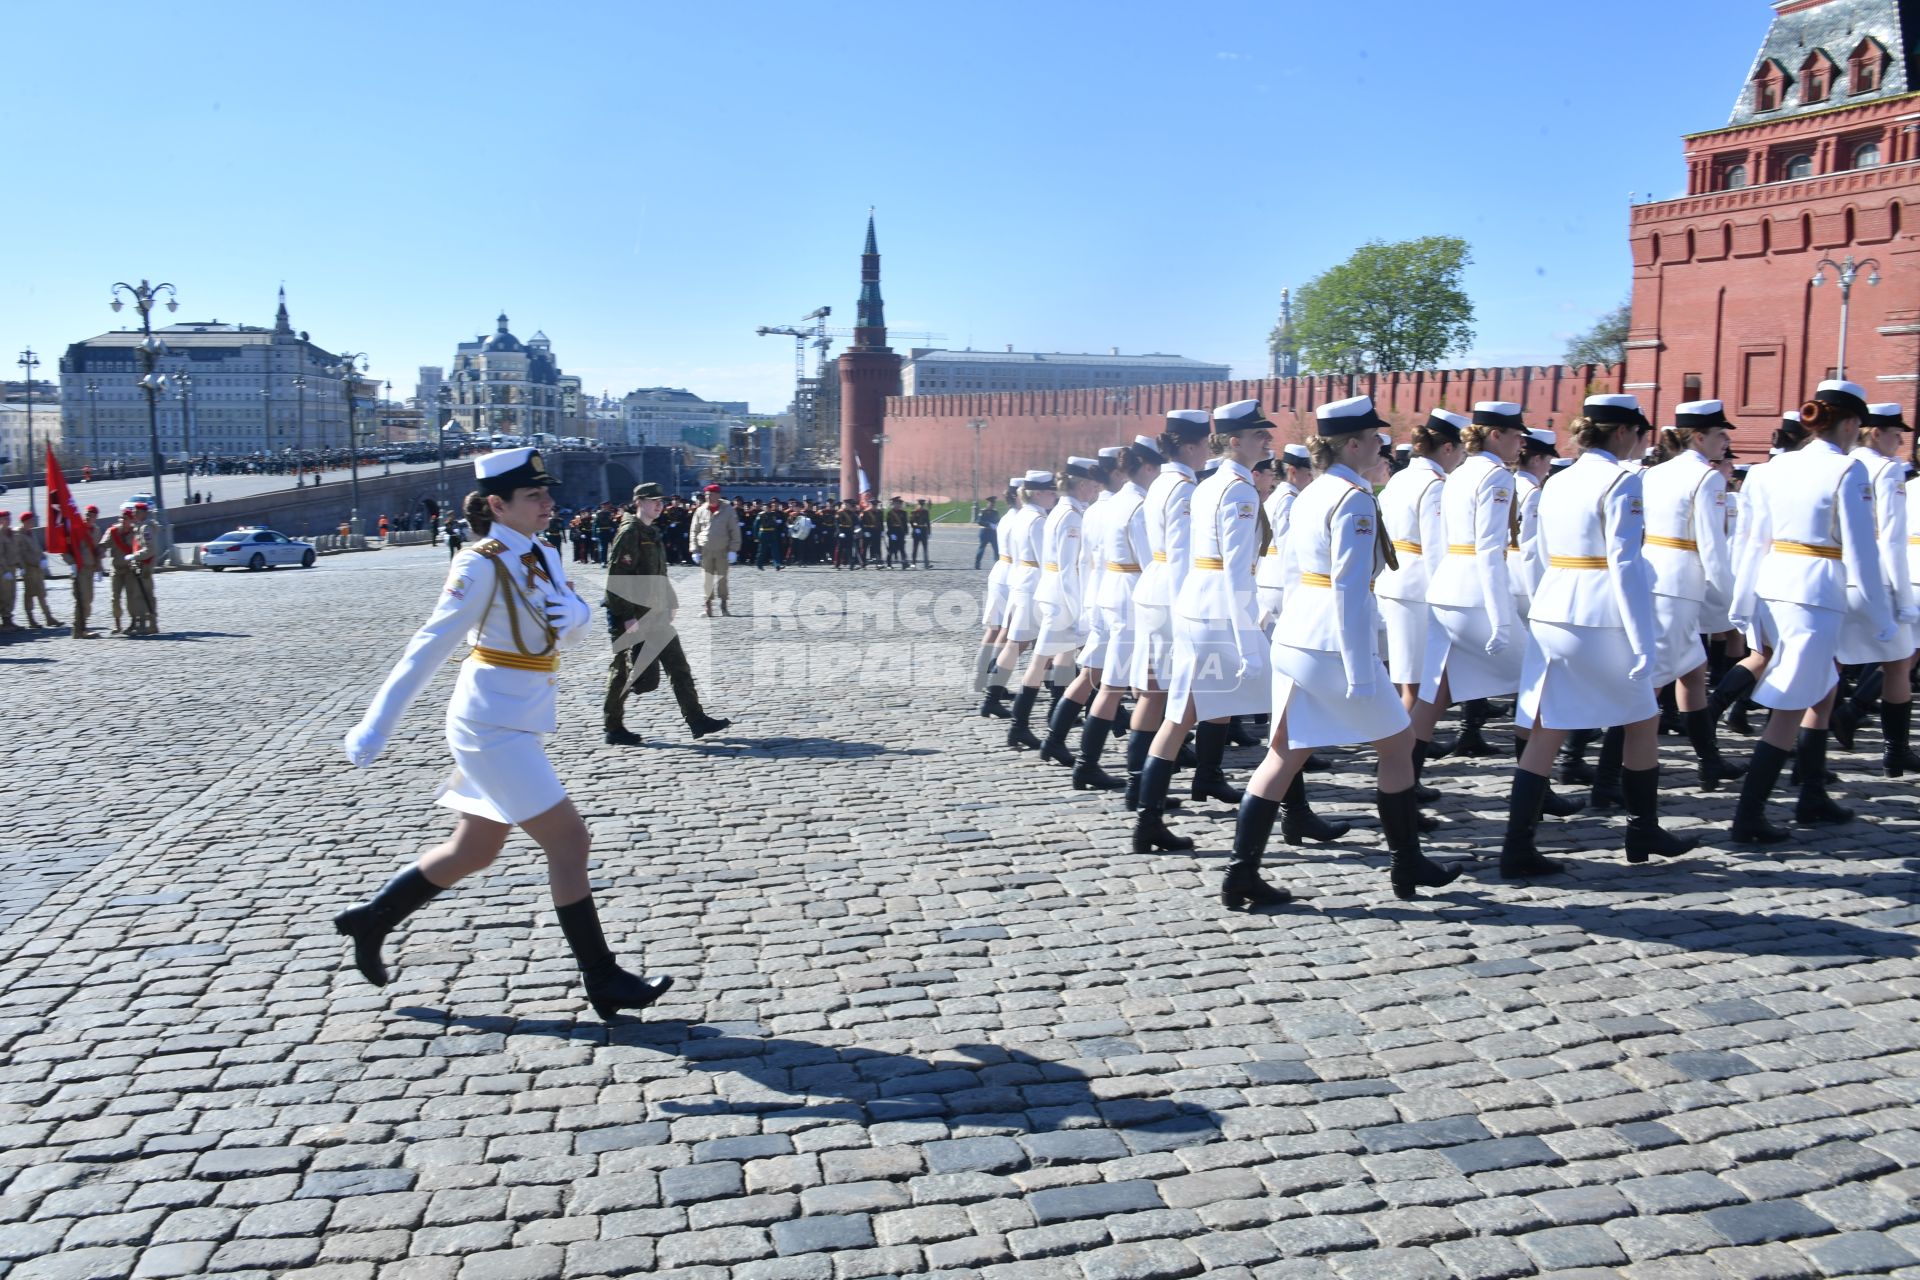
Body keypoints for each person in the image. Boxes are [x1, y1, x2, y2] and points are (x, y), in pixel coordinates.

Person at [337, 447, 675, 1021]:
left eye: (547, 494)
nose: (549, 504)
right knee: (570, 842)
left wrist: (581, 619)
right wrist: (376, 724)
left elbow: (567, 621)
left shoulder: (541, 551)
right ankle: (603, 977)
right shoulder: (479, 563)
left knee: (475, 848)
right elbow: (430, 644)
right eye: (535, 497)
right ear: (498, 505)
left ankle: (373, 919)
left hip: (520, 716)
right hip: (489, 725)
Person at [1229, 395, 1461, 906]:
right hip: (1333, 644)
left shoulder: (1313, 491)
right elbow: (1350, 591)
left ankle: (1241, 871)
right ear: (1351, 444)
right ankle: (1407, 862)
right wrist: (1361, 669)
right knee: (1398, 746)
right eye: (1375, 438)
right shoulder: (1353, 498)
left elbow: (1296, 573)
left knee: (1283, 754)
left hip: (1298, 635)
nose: (1382, 445)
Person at [1502, 394, 1699, 877]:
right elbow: (1625, 564)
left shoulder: (1558, 480)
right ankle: (1641, 827)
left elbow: (1538, 552)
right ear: (1624, 433)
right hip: (1600, 616)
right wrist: (1643, 637)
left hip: (1556, 606)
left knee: (1551, 726)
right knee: (1642, 718)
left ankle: (1518, 844)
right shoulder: (1623, 481)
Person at [1727, 381, 1893, 842]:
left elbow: (1750, 541)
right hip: (1816, 592)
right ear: (1851, 424)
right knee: (1790, 703)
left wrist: (1743, 604)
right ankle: (1749, 815)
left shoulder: (1770, 469)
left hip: (1774, 584)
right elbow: (1862, 551)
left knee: (1823, 689)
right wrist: (1881, 617)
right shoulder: (1848, 470)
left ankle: (1812, 792)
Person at [1642, 402, 1742, 789]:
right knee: (1652, 680)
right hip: (1681, 579)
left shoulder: (1656, 472)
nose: (1726, 441)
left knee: (1693, 671)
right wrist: (1733, 598)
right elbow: (1713, 546)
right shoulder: (1708, 478)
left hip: (1655, 571)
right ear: (1699, 437)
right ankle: (1606, 774)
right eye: (1721, 434)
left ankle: (1709, 759)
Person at [1127, 411, 1210, 835]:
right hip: (1171, 598)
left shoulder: (1161, 481)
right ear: (1192, 446)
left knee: (1155, 695)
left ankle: (1139, 788)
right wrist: (1186, 614)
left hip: (1153, 589)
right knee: (1173, 702)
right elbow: (1180, 556)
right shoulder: (1183, 488)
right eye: (1207, 443)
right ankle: (1147, 803)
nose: (1210, 449)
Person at [603, 483, 732, 745]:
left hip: (656, 614)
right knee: (623, 673)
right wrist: (627, 617)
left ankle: (696, 719)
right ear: (638, 502)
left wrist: (671, 601)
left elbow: (659, 574)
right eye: (652, 501)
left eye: (660, 500)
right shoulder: (630, 533)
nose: (659, 505)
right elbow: (617, 578)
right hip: (633, 617)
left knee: (679, 667)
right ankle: (613, 726)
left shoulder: (651, 531)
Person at [1830, 403, 1919, 772]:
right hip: (1879, 575)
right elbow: (1893, 540)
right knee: (1899, 663)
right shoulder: (1888, 470)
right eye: (1896, 434)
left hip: (1835, 574)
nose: (1900, 442)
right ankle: (1894, 750)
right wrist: (1903, 597)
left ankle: (1810, 763)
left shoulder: (1839, 464)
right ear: (1875, 432)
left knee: (1826, 665)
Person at [1376, 411, 1465, 725]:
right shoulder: (1436, 484)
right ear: (1448, 449)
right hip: (1419, 589)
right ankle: (1399, 758)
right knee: (1417, 684)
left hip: (1395, 582)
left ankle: (1400, 751)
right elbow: (1437, 548)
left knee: (1406, 680)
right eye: (1462, 450)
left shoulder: (1400, 478)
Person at [974, 480, 1024, 714]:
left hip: (1001, 571)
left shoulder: (1008, 516)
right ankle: (993, 678)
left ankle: (983, 677)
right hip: (1012, 573)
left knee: (995, 628)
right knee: (1007, 629)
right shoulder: (1020, 519)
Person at [689, 483, 741, 617]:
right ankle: (708, 608)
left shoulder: (728, 510)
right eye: (706, 495)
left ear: (718, 495)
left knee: (722, 579)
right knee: (706, 579)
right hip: (705, 550)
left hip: (722, 550)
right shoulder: (700, 510)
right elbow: (694, 531)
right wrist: (694, 550)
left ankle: (724, 606)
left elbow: (734, 530)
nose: (708, 498)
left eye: (711, 495)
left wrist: (733, 550)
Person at [100, 506, 152, 636]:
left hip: (130, 570)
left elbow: (142, 547)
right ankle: (117, 624)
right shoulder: (113, 531)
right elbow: (102, 545)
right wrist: (98, 557)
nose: (124, 520)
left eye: (127, 518)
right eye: (122, 518)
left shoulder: (136, 532)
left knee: (131, 598)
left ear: (131, 520)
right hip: (116, 569)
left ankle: (134, 622)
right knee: (115, 597)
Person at [65, 505, 103, 640]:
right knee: (81, 599)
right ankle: (78, 629)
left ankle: (83, 626)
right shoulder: (76, 529)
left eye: (92, 515)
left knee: (89, 598)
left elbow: (97, 549)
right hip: (79, 569)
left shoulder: (96, 530)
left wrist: (99, 567)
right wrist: (71, 563)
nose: (89, 517)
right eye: (87, 514)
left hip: (90, 569)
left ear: (96, 517)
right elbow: (65, 548)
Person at [14, 513, 57, 628]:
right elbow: (20, 553)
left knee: (41, 593)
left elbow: (38, 548)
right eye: (31, 521)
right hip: (29, 569)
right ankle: (31, 619)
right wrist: (22, 567)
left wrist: (43, 558)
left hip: (38, 568)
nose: (33, 523)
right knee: (29, 594)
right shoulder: (19, 534)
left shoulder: (31, 532)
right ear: (25, 522)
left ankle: (48, 617)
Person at [0, 510, 20, 632]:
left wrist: (20, 565)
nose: (8, 520)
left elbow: (15, 552)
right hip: (3, 570)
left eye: (9, 518)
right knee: (4, 595)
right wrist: (5, 570)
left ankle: (9, 620)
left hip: (12, 568)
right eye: (5, 518)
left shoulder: (11, 533)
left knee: (12, 594)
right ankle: (6, 622)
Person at [754, 502, 784, 571]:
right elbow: (756, 526)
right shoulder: (760, 515)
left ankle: (777, 565)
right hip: (763, 533)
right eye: (765, 507)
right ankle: (759, 564)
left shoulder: (774, 514)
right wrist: (756, 536)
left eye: (768, 507)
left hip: (772, 533)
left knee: (775, 550)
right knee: (762, 550)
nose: (766, 509)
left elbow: (777, 525)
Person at [974, 496, 1001, 569]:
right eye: (991, 504)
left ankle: (997, 564)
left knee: (996, 549)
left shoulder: (995, 512)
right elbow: (979, 521)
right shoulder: (983, 511)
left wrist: (996, 524)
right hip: (984, 532)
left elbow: (998, 520)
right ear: (988, 503)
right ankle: (977, 564)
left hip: (993, 532)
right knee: (981, 549)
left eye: (993, 504)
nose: (992, 505)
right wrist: (988, 524)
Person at [884, 497, 910, 568]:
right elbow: (889, 525)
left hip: (901, 533)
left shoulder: (904, 513)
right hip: (893, 533)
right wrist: (891, 534)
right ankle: (889, 564)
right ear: (893, 504)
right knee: (891, 549)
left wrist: (906, 532)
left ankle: (904, 563)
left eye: (899, 504)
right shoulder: (890, 513)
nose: (898, 505)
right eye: (896, 504)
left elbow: (905, 523)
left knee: (902, 549)